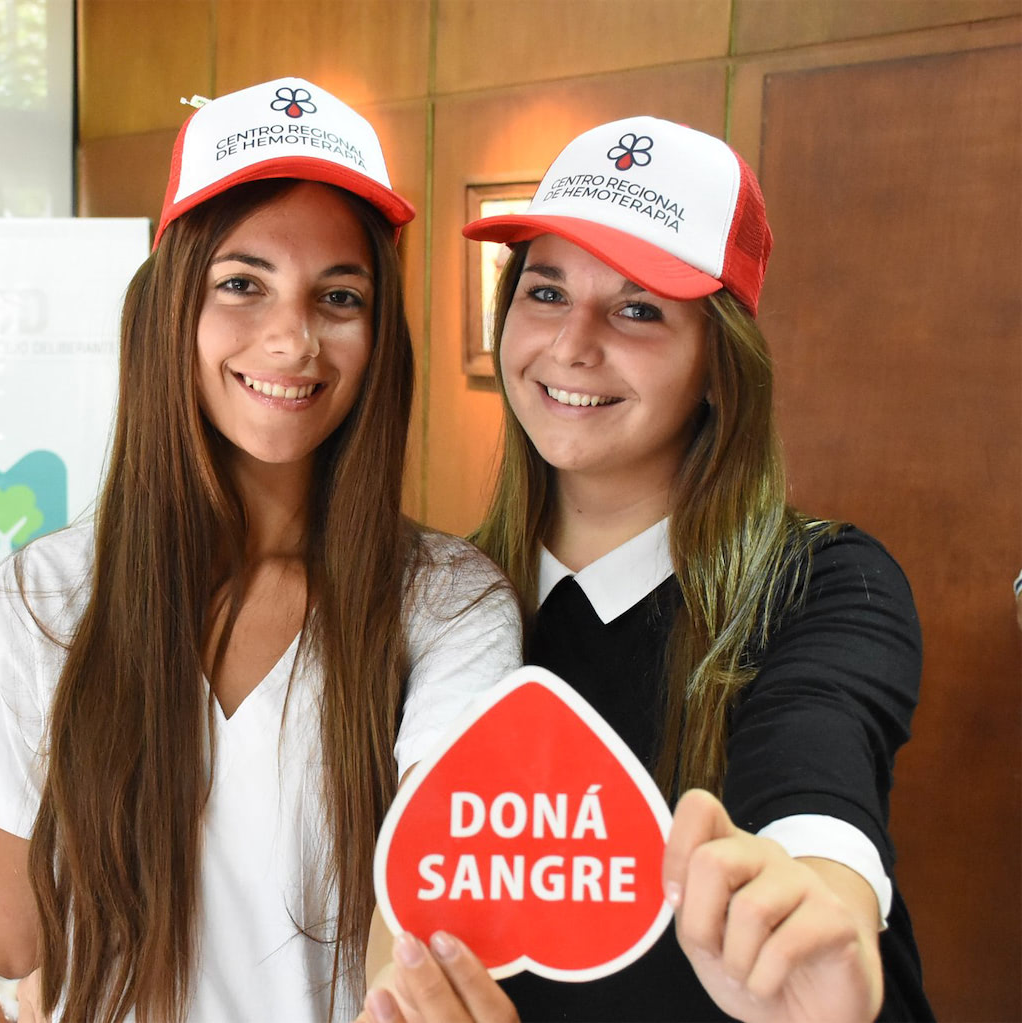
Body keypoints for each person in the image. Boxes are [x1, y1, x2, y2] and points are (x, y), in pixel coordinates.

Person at [0, 76, 521, 1023]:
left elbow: (418, 917)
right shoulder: (42, 598)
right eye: (242, 284)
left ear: (379, 333)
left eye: (338, 296)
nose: (293, 339)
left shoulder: (448, 604)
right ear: (171, 307)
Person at [361, 117, 931, 1022]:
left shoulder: (821, 581)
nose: (572, 345)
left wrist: (823, 894)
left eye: (639, 310)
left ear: (719, 364)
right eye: (546, 291)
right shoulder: (444, 602)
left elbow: (814, 769)